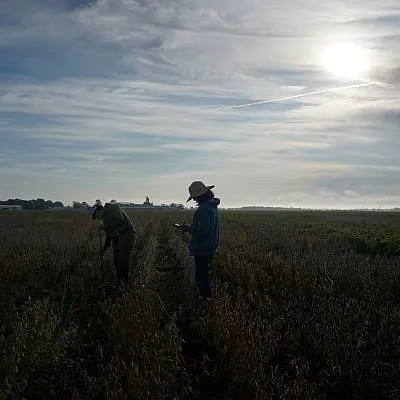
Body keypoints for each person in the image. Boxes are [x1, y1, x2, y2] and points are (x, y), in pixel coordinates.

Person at [177, 181, 220, 300]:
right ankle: (207, 299)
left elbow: (202, 231)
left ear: (200, 196)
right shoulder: (212, 206)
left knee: (202, 277)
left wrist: (188, 228)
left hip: (203, 247)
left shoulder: (204, 209)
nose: (195, 200)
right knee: (206, 274)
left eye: (195, 198)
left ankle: (206, 301)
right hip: (210, 246)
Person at [89, 201, 136, 286]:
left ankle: (125, 283)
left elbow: (119, 219)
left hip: (126, 234)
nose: (97, 219)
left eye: (96, 216)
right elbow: (109, 236)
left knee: (123, 260)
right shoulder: (105, 219)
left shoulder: (112, 208)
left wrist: (106, 226)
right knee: (116, 260)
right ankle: (119, 283)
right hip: (117, 237)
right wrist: (104, 249)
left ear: (98, 211)